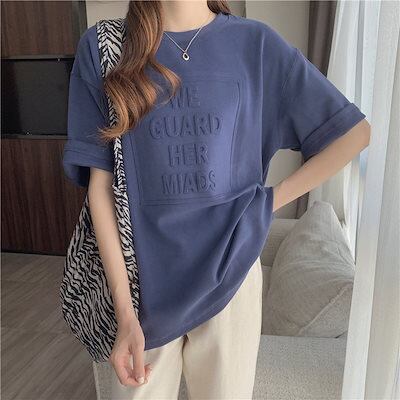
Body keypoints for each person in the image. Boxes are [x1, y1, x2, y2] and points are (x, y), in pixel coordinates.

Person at [62, 1, 370, 398]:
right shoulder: (104, 48)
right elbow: (100, 187)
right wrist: (124, 313)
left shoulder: (256, 45)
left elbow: (353, 134)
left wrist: (267, 203)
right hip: (141, 291)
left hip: (231, 277)